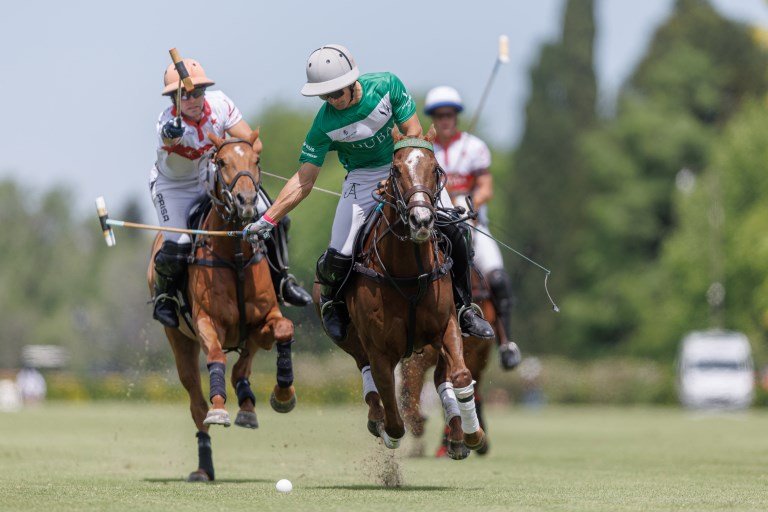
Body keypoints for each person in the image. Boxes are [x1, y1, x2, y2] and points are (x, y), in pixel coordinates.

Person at [243, 44, 494, 343]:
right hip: (361, 180)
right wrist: (268, 220)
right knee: (337, 254)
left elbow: (413, 136)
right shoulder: (323, 124)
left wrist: (398, 181)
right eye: (325, 95)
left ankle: (465, 308)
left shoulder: (387, 86)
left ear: (352, 82)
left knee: (457, 231)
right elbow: (304, 180)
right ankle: (334, 307)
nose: (332, 101)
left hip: (409, 167)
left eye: (337, 92)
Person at [150, 58, 311, 328]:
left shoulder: (221, 104)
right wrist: (172, 134)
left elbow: (252, 141)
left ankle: (282, 280)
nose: (193, 100)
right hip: (175, 187)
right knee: (177, 247)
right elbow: (168, 137)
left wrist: (235, 156)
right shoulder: (166, 122)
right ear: (174, 100)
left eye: (197, 92)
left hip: (215, 176)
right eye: (184, 96)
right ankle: (165, 297)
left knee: (276, 219)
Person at [424, 86, 519, 369]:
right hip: (438, 229)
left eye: (449, 114)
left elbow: (486, 187)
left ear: (456, 117)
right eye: (439, 115)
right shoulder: (427, 150)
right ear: (433, 118)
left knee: (498, 278)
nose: (444, 120)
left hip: (474, 225)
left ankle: (506, 343)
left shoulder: (474, 147)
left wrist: (469, 203)